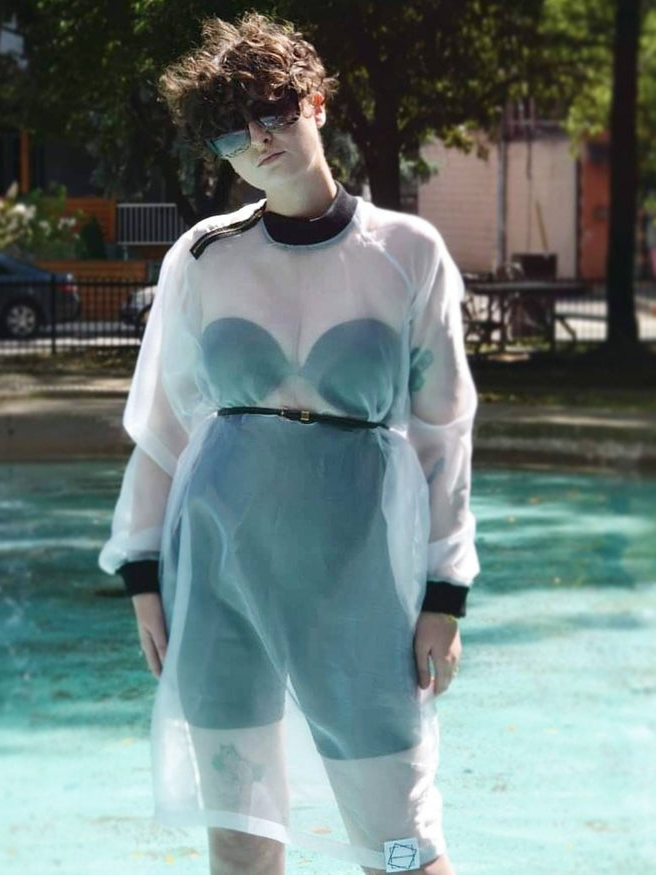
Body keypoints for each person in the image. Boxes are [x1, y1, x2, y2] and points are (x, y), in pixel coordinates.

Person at [99, 12, 479, 875]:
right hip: (219, 563)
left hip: (361, 568)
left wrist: (445, 593)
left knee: (402, 840)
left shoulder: (406, 252)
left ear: (313, 99)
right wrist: (142, 574)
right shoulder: (203, 256)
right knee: (239, 838)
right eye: (231, 131)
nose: (257, 139)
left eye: (270, 111)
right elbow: (162, 429)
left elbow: (442, 434)